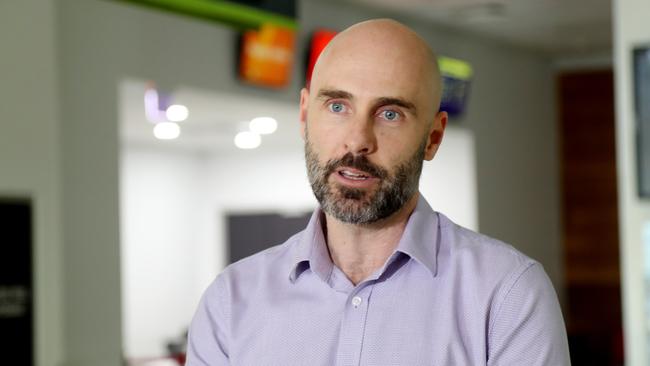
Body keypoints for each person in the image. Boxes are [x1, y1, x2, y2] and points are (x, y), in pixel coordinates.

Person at [186, 19, 570, 366]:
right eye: (338, 106)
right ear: (304, 116)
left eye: (390, 114)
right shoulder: (230, 303)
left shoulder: (506, 296)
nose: (357, 140)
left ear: (433, 137)